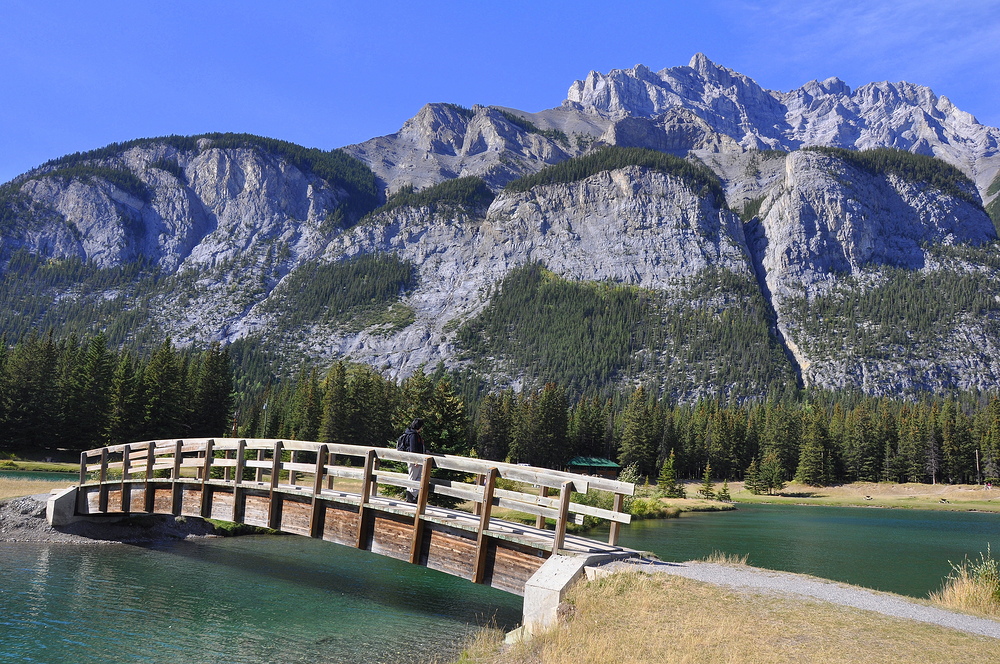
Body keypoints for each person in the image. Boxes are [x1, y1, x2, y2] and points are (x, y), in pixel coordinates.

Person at [402, 418, 425, 503]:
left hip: (416, 460)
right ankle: (410, 497)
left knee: (418, 477)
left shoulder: (412, 434)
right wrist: (415, 460)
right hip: (414, 460)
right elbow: (413, 449)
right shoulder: (413, 435)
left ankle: (412, 496)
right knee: (413, 477)